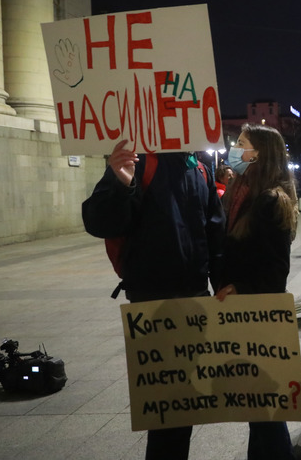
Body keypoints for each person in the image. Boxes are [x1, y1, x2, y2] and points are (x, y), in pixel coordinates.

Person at [82, 140, 226, 460]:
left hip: (194, 296)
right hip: (152, 300)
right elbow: (99, 222)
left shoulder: (199, 168)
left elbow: (214, 233)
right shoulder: (139, 162)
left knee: (183, 405)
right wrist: (121, 181)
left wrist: (222, 284)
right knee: (168, 406)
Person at [213, 123, 298, 460]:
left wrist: (240, 286)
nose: (235, 148)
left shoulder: (270, 200)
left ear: (259, 153)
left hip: (258, 315)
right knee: (256, 404)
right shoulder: (241, 191)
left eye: (241, 143)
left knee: (263, 406)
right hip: (239, 311)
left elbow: (276, 271)